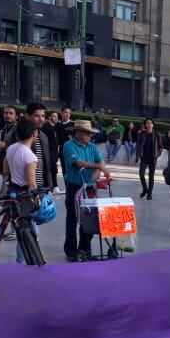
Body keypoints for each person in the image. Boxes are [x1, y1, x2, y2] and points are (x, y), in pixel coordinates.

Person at [62, 119, 110, 261]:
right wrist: (97, 167)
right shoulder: (68, 145)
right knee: (72, 219)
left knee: (88, 219)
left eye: (90, 133)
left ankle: (84, 249)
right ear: (77, 133)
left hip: (89, 188)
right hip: (74, 186)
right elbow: (77, 163)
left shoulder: (93, 147)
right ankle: (70, 250)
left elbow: (100, 162)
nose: (90, 136)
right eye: (86, 133)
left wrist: (98, 170)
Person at [5, 118, 43, 264]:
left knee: (22, 228)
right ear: (34, 133)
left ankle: (23, 260)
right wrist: (37, 199)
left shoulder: (11, 148)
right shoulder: (29, 155)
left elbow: (5, 170)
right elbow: (32, 183)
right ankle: (24, 261)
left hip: (12, 191)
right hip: (24, 196)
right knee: (29, 231)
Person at [136, 118, 162, 199]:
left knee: (151, 176)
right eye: (147, 123)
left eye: (150, 123)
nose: (149, 125)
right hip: (144, 157)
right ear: (145, 125)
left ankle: (149, 193)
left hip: (153, 158)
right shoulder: (142, 133)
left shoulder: (157, 134)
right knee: (141, 174)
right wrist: (137, 156)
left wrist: (157, 154)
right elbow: (139, 145)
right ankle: (145, 189)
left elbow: (161, 146)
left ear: (153, 125)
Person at [54, 107, 75, 195]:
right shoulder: (57, 125)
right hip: (62, 151)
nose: (67, 114)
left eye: (69, 113)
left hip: (72, 151)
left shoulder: (73, 124)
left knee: (72, 169)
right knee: (64, 170)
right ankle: (67, 187)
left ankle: (72, 187)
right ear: (61, 113)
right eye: (65, 112)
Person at [0, 105, 18, 178]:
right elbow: (0, 153)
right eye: (6, 113)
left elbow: (21, 149)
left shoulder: (19, 130)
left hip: (14, 170)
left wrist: (5, 147)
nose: (8, 115)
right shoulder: (3, 130)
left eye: (11, 113)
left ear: (16, 116)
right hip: (3, 168)